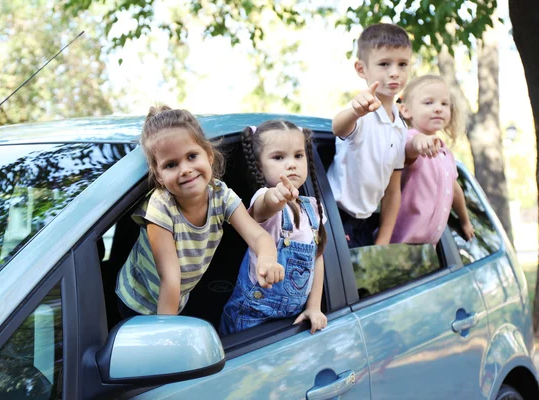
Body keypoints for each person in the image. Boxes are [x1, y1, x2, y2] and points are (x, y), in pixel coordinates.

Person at [115, 106, 284, 317]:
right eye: (171, 165)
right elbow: (170, 277)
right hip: (137, 299)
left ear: (209, 156)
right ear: (159, 176)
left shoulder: (220, 195)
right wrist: (165, 335)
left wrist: (267, 258)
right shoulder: (161, 207)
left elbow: (258, 235)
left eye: (192, 156)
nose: (185, 169)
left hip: (177, 297)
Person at [326, 23, 439, 248]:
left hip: (365, 222)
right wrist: (355, 111)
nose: (394, 72)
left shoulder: (399, 128)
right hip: (335, 218)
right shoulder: (363, 112)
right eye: (384, 64)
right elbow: (338, 128)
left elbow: (392, 191)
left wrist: (383, 241)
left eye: (402, 64)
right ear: (361, 69)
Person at [219, 120, 328, 335]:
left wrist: (314, 307)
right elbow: (265, 206)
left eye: (298, 155)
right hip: (249, 319)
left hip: (289, 321)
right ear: (260, 166)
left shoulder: (312, 209)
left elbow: (318, 257)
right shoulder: (264, 198)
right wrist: (277, 197)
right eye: (279, 157)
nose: (291, 164)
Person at [391, 75, 474, 245]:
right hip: (398, 246)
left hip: (428, 252)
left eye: (444, 104)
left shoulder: (446, 153)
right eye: (428, 103)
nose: (438, 108)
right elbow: (410, 148)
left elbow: (455, 189)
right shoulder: (407, 139)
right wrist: (420, 142)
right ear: (406, 110)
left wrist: (465, 221)